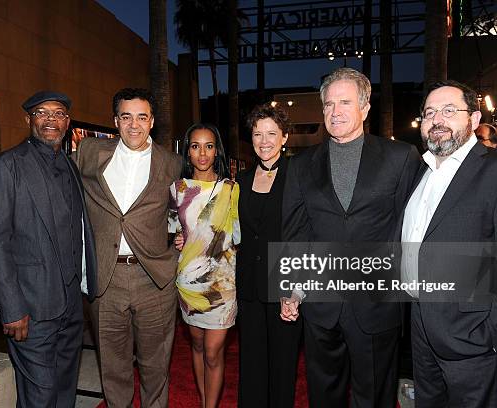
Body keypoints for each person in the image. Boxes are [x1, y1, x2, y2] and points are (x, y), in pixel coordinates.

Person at [281, 67, 421, 407]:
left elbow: (412, 227)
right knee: (322, 393)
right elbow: (296, 232)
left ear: (365, 108)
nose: (335, 111)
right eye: (328, 104)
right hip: (319, 304)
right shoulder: (301, 165)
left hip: (376, 303)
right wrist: (290, 289)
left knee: (373, 395)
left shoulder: (400, 157)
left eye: (344, 102)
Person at [401, 80, 497, 407]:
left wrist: (496, 337)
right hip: (421, 328)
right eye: (429, 113)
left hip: (474, 337)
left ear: (475, 119)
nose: (437, 119)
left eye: (449, 110)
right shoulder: (418, 171)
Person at [0, 91, 97, 407]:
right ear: (28, 119)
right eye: (42, 112)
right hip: (30, 311)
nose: (51, 119)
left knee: (63, 391)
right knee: (40, 396)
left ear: (67, 122)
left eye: (59, 113)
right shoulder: (6, 166)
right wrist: (11, 308)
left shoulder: (71, 166)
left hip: (72, 307)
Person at [75, 88, 182, 407]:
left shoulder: (172, 162)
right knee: (113, 366)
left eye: (141, 117)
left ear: (152, 122)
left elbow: (184, 210)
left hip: (155, 279)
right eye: (126, 117)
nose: (134, 125)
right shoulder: (90, 152)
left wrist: (180, 240)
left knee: (155, 366)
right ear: (115, 121)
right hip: (106, 278)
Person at [235, 104, 303, 408]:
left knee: (283, 365)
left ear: (284, 137)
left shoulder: (299, 178)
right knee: (250, 364)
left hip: (284, 284)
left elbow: (306, 237)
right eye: (258, 133)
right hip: (248, 286)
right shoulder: (241, 181)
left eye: (272, 133)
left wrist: (297, 289)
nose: (264, 140)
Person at [169, 123, 240, 408]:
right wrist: (178, 237)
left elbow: (238, 235)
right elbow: (176, 229)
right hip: (188, 281)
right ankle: (203, 401)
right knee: (196, 346)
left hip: (222, 284)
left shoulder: (231, 189)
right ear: (187, 152)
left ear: (216, 151)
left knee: (213, 351)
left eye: (208, 146)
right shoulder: (177, 189)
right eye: (195, 146)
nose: (202, 153)